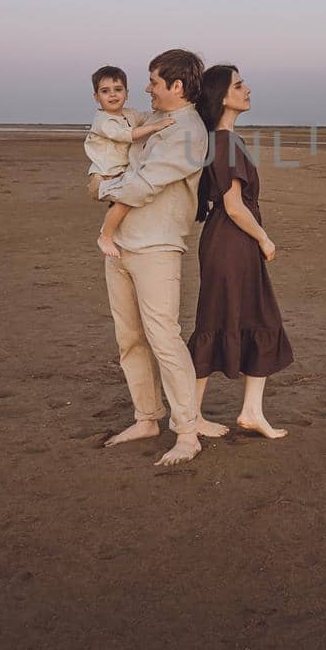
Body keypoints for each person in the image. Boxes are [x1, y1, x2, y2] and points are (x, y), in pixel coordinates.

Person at [92, 49, 225, 466]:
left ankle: (187, 430)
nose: (146, 88)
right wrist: (98, 178)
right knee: (128, 337)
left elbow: (143, 184)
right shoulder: (148, 122)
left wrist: (100, 190)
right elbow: (110, 155)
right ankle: (147, 417)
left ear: (176, 86)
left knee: (164, 338)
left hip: (158, 246)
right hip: (122, 245)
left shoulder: (188, 132)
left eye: (153, 81)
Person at [187, 64, 294, 440]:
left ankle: (250, 411)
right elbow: (233, 206)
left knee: (254, 318)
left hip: (231, 243)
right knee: (218, 322)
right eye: (238, 84)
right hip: (231, 242)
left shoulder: (226, 141)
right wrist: (264, 238)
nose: (247, 88)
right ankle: (190, 416)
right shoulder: (224, 142)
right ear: (222, 96)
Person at [85, 66, 175, 259]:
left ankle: (119, 234)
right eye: (105, 91)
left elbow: (147, 117)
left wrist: (165, 111)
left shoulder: (129, 114)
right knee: (127, 199)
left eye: (118, 89)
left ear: (126, 93)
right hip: (104, 175)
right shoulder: (104, 121)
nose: (112, 95)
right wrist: (155, 127)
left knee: (132, 199)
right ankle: (105, 236)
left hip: (119, 172)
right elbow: (127, 135)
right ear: (96, 97)